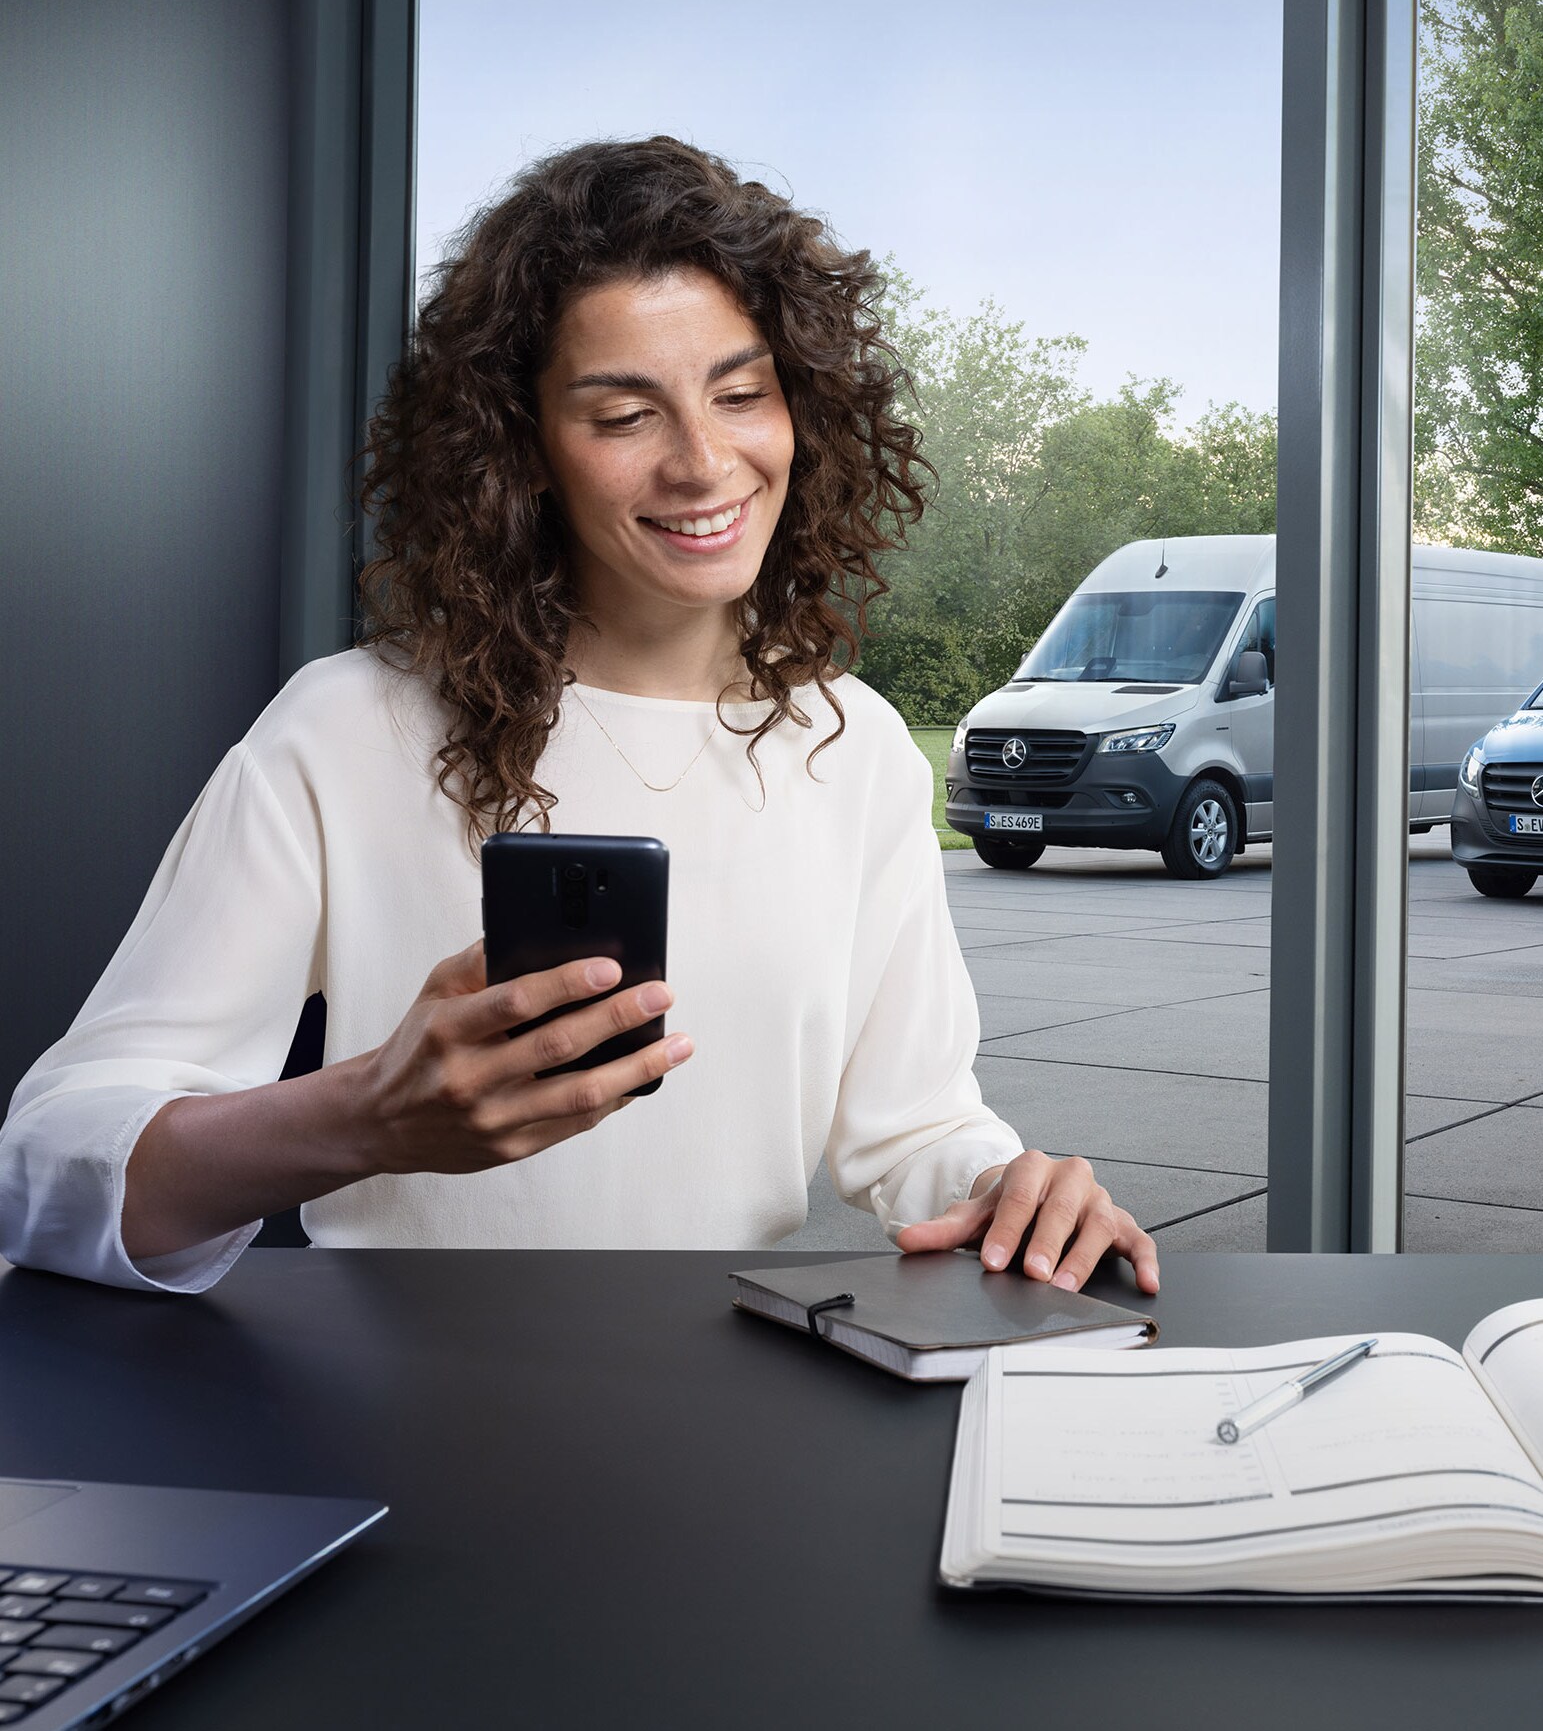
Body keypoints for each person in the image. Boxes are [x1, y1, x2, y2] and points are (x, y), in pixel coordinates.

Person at [0, 136, 1159, 1299]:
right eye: (622, 416)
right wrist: (365, 1118)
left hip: (719, 1407)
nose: (704, 464)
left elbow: (914, 1132)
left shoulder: (852, 746)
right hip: (389, 1423)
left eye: (741, 394)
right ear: (522, 450)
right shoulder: (345, 728)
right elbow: (46, 1167)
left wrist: (1014, 1186)